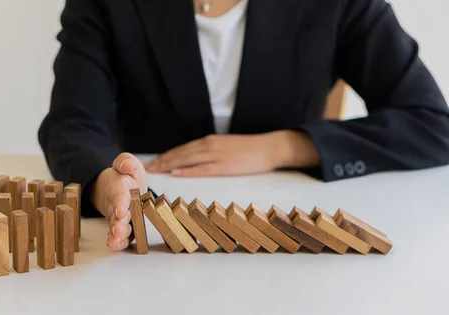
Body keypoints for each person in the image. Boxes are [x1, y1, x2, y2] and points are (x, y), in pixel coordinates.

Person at [38, 0, 449, 251]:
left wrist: (283, 147)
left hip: (286, 227)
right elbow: (71, 123)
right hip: (152, 227)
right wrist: (105, 184)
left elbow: (433, 124)